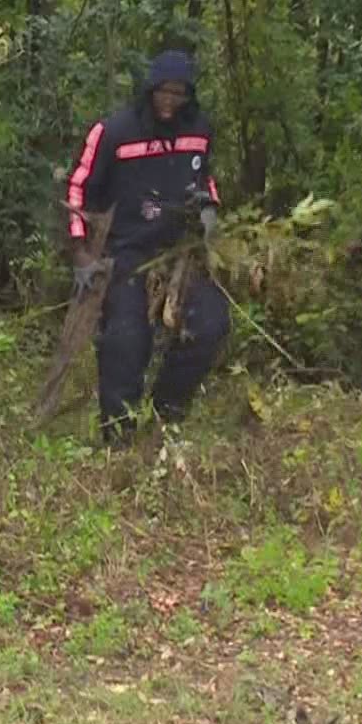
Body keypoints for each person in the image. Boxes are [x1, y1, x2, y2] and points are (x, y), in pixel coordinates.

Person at [64, 49, 229, 444]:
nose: (170, 101)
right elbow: (76, 191)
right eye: (164, 92)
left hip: (180, 250)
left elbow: (205, 177)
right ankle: (118, 438)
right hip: (126, 252)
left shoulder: (198, 129)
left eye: (179, 93)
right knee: (126, 340)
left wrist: (210, 208)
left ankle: (166, 418)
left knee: (210, 325)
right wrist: (81, 253)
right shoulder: (114, 131)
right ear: (150, 90)